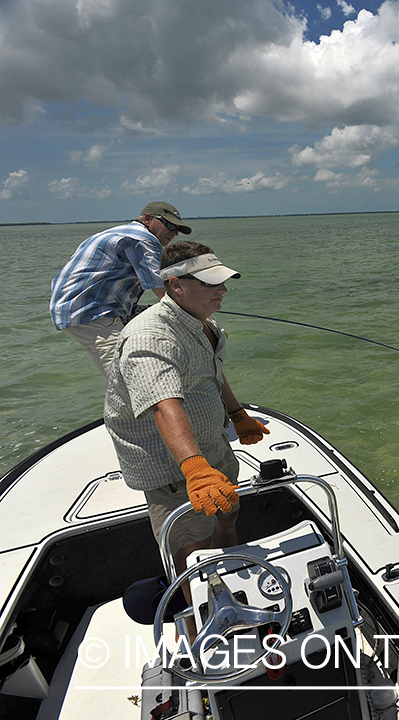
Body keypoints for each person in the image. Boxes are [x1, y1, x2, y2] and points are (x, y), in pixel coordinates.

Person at [103, 240, 269, 613]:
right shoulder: (149, 336)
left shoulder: (204, 323)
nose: (223, 290)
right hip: (174, 466)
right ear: (176, 285)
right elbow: (164, 405)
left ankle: (226, 566)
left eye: (223, 281)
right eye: (211, 284)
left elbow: (212, 372)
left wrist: (238, 415)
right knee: (191, 554)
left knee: (226, 518)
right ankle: (202, 629)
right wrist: (194, 468)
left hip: (213, 447)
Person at [49, 201, 191, 379]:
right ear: (147, 219)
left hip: (74, 307)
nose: (174, 232)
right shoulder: (143, 239)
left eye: (178, 229)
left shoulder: (119, 231)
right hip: (93, 313)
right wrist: (192, 314)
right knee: (129, 380)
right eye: (169, 225)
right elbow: (159, 287)